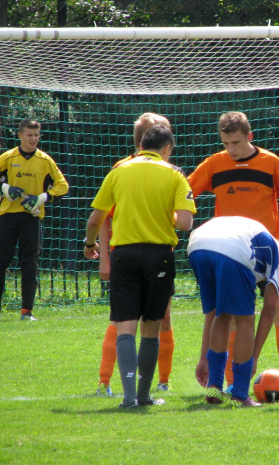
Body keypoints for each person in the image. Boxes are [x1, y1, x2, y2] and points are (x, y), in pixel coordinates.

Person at [187, 111, 279, 393]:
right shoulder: (214, 164)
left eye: (236, 143)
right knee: (229, 316)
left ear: (250, 137)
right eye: (226, 143)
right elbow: (185, 193)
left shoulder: (271, 162)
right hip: (231, 254)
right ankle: (231, 382)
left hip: (269, 252)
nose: (231, 149)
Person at [84, 124, 195, 408]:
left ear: (141, 144)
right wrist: (163, 213)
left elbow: (96, 218)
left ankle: (129, 397)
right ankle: (145, 395)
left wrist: (90, 244)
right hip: (158, 255)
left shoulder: (119, 170)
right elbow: (185, 223)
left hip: (123, 255)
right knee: (151, 327)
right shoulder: (174, 175)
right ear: (167, 149)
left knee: (125, 327)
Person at [96, 113, 177, 397]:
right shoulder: (122, 169)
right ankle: (107, 382)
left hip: (145, 254)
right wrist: (105, 257)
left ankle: (161, 381)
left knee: (156, 317)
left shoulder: (169, 170)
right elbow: (104, 217)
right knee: (125, 321)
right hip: (136, 252)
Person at [188, 216, 279, 407]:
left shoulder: (256, 239)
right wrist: (253, 359)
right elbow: (269, 310)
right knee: (246, 318)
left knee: (223, 314)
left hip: (196, 245)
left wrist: (204, 358)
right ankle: (240, 395)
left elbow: (212, 313)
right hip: (230, 250)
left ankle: (214, 388)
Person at [0, 119, 69, 321]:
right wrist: (5, 188)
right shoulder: (8, 157)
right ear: (19, 135)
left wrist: (41, 199)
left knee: (30, 263)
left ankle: (26, 312)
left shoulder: (45, 161)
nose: (33, 139)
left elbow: (63, 186)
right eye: (29, 135)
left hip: (32, 218)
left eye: (36, 135)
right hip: (7, 216)